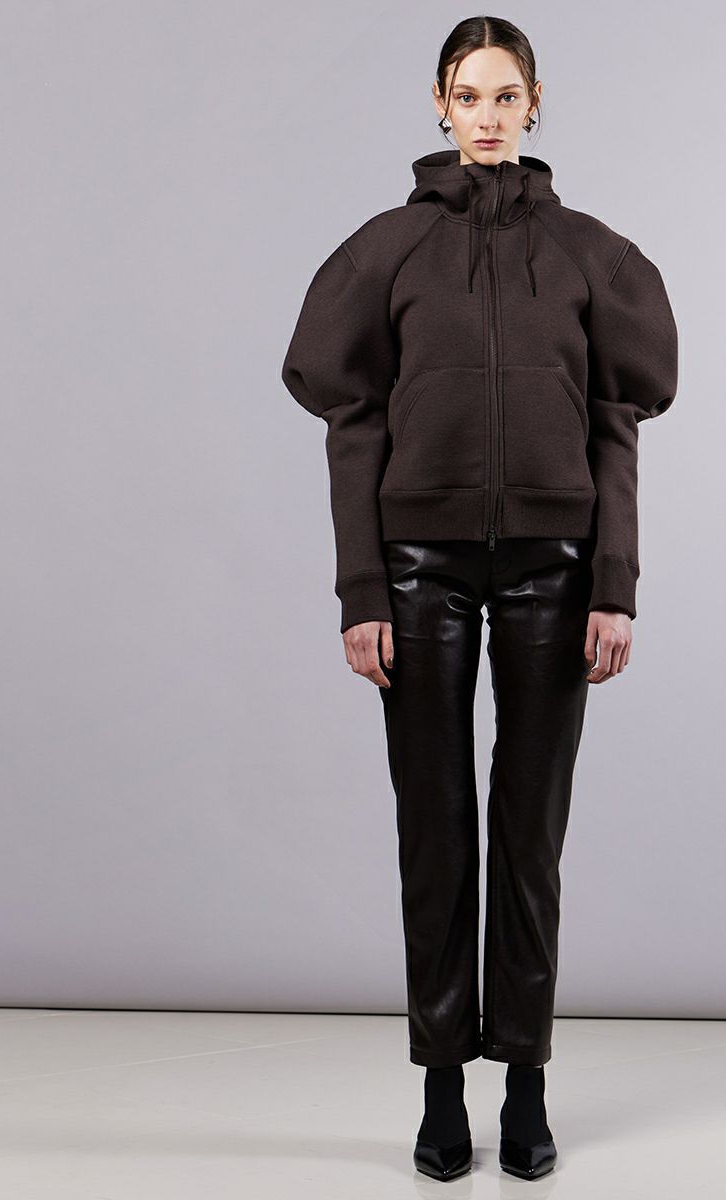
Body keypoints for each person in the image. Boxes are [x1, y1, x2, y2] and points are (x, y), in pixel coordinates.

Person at [281, 15, 678, 1183]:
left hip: (556, 567)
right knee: (436, 831)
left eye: (507, 96)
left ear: (534, 103)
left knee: (529, 835)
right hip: (421, 569)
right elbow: (352, 426)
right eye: (469, 96)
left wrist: (614, 583)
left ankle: (528, 1081)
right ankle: (442, 1083)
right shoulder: (385, 253)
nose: (489, 116)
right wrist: (363, 588)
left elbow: (616, 425)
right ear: (440, 105)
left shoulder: (593, 257)